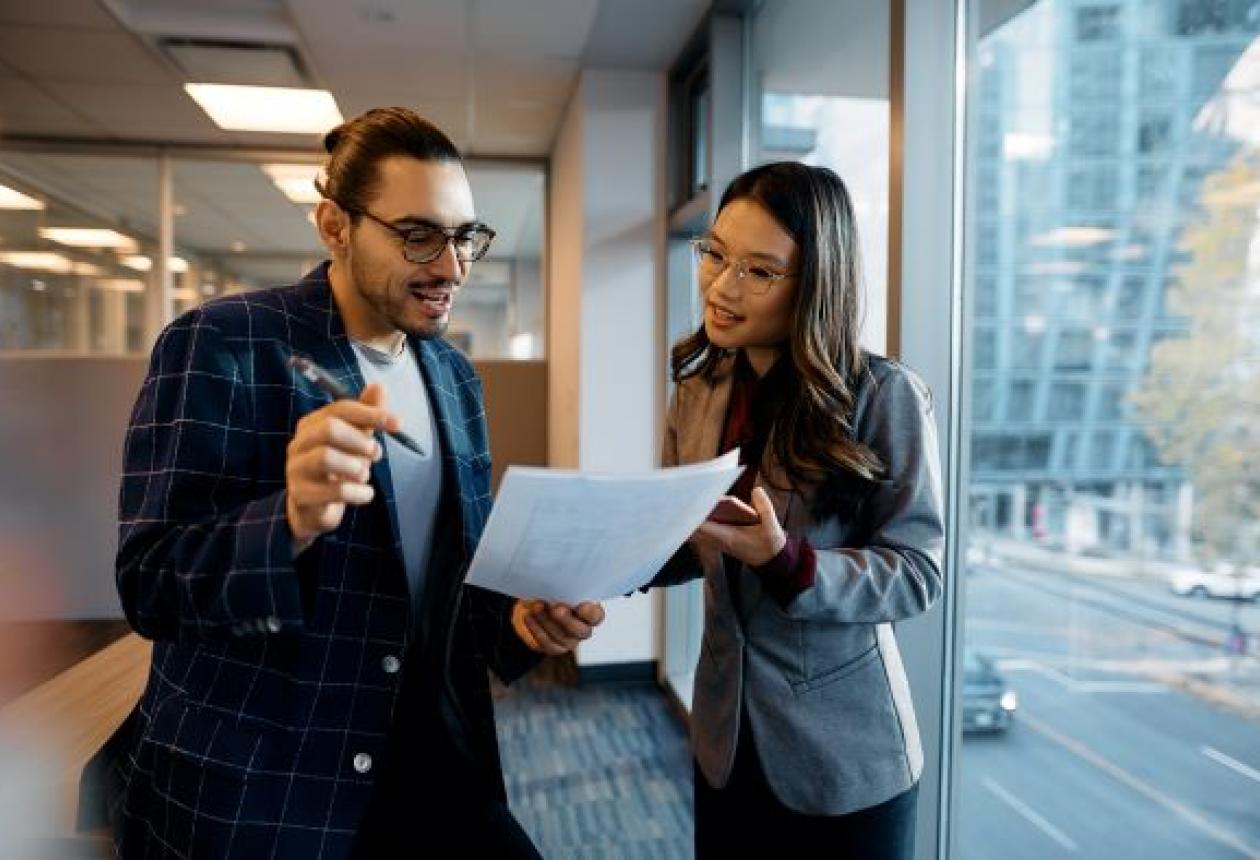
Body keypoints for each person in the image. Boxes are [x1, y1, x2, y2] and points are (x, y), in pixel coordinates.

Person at [94, 107, 604, 858]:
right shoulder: (225, 344)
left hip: (427, 749)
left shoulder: (454, 376)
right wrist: (290, 519)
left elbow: (444, 583)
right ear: (335, 225)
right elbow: (152, 585)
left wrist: (520, 621)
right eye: (419, 235)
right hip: (275, 778)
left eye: (465, 237)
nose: (453, 267)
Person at [649, 162, 945, 857]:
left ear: (815, 283)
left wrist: (789, 563)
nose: (721, 286)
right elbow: (691, 540)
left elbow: (917, 573)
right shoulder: (699, 388)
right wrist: (603, 558)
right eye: (715, 253)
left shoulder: (883, 395)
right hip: (724, 738)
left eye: (759, 270)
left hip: (845, 752)